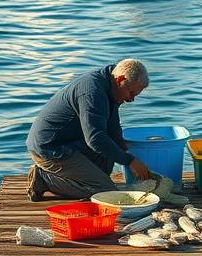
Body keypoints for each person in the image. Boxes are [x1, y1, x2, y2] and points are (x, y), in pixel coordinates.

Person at [25, 58, 154, 201]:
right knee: (104, 191)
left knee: (107, 160)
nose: (131, 99)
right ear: (120, 79)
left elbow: (112, 127)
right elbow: (95, 138)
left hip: (71, 142)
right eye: (131, 93)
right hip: (50, 148)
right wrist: (129, 161)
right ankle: (42, 179)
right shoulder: (92, 92)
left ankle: (75, 178)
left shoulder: (113, 84)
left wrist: (125, 150)